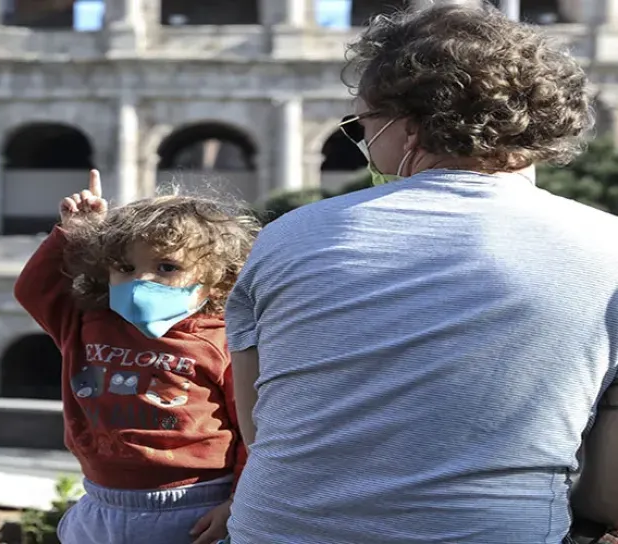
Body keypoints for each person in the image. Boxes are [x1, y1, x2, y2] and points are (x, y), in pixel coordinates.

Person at [224, 4, 618, 544]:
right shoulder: (608, 246)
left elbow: (261, 430)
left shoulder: (287, 237)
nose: (361, 143)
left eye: (361, 126)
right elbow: (609, 485)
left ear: (408, 126)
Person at [14, 170, 259, 544]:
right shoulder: (86, 323)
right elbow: (33, 289)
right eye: (125, 268)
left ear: (217, 278)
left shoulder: (224, 339)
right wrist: (73, 233)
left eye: (166, 267)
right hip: (101, 502)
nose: (142, 280)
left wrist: (238, 503)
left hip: (194, 505)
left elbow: (253, 430)